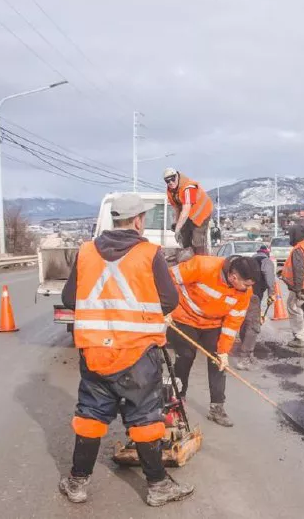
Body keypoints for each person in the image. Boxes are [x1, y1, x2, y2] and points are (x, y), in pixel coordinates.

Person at [59, 193, 194, 507]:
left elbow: (70, 299)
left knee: (91, 416)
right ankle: (158, 486)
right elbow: (169, 301)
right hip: (136, 354)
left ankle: (77, 483)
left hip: (94, 354)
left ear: (113, 220)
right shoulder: (148, 253)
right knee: (146, 419)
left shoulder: (86, 252)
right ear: (138, 220)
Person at [168, 254, 259, 427]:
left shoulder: (245, 292)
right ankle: (177, 402)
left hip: (212, 324)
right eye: (246, 284)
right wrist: (164, 307)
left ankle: (217, 407)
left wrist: (224, 351)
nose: (248, 288)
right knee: (185, 357)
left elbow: (232, 323)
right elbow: (166, 279)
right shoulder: (203, 266)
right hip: (184, 317)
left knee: (218, 362)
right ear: (233, 277)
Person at [235, 245, 277, 370]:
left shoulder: (251, 261)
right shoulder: (266, 261)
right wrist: (272, 294)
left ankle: (248, 352)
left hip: (241, 295)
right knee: (253, 326)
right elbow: (270, 278)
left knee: (244, 323)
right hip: (252, 297)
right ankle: (245, 359)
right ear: (267, 254)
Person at [163, 168, 214, 255]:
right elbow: (177, 208)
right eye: (167, 181)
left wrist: (177, 229)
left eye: (172, 178)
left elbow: (186, 210)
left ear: (177, 176)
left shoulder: (188, 188)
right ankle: (189, 258)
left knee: (198, 239)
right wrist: (176, 224)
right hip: (189, 214)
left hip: (202, 212)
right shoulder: (170, 191)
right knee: (184, 236)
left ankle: (201, 261)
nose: (171, 182)